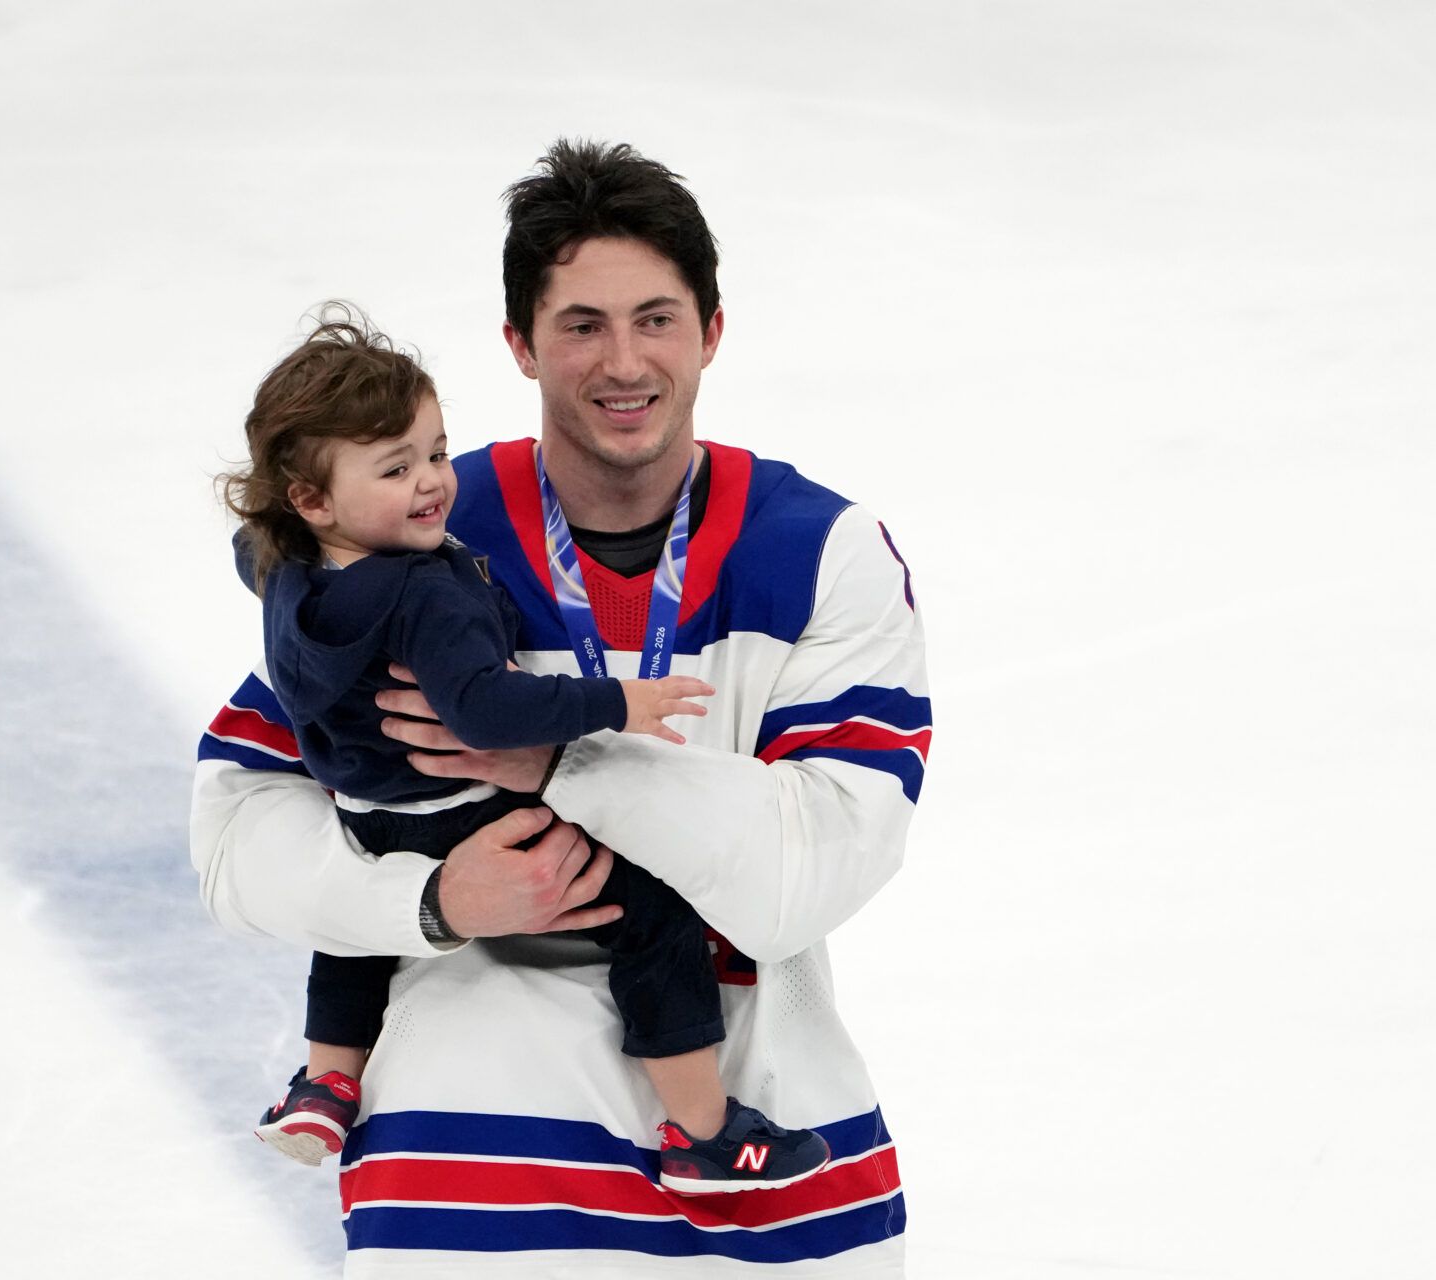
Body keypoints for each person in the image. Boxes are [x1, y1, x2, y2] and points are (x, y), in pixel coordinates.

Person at [192, 138, 930, 1274]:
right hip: (462, 1167)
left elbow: (803, 878)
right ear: (521, 344)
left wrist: (554, 760)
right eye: (581, 323)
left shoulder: (822, 553)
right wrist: (432, 898)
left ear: (712, 330)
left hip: (757, 1161)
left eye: (656, 317)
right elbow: (238, 834)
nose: (622, 360)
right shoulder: (416, 530)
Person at [218, 307, 831, 1194]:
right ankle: (704, 1130)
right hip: (465, 812)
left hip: (367, 816)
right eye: (397, 469)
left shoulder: (279, 568)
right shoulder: (427, 595)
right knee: (653, 912)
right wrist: (620, 702)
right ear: (310, 499)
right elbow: (487, 709)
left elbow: (252, 543)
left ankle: (325, 1081)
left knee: (352, 938)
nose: (433, 483)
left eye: (435, 451)